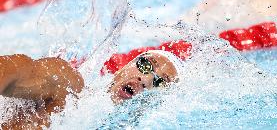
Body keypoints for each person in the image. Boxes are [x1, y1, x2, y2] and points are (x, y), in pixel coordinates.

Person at [0, 50, 182, 129]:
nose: (146, 80)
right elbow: (17, 69)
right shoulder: (71, 88)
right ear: (123, 66)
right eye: (145, 64)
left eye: (160, 83)